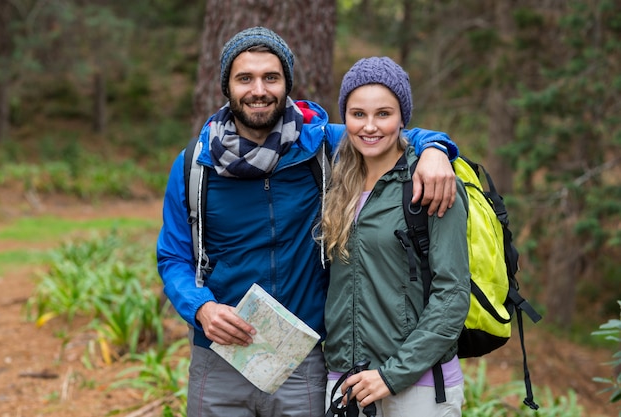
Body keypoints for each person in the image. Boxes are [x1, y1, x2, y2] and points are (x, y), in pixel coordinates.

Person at [157, 27, 459, 417]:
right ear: (226, 87)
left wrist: (436, 148)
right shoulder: (194, 167)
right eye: (245, 78)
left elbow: (384, 131)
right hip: (220, 358)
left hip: (304, 359)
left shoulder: (320, 145)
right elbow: (173, 257)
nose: (259, 89)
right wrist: (200, 308)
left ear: (287, 84)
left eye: (271, 77)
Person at [321, 56, 471, 417]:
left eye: (383, 114)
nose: (370, 126)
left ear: (403, 117)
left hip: (417, 386)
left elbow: (452, 295)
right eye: (358, 114)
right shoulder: (336, 182)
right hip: (347, 383)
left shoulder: (431, 183)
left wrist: (391, 375)